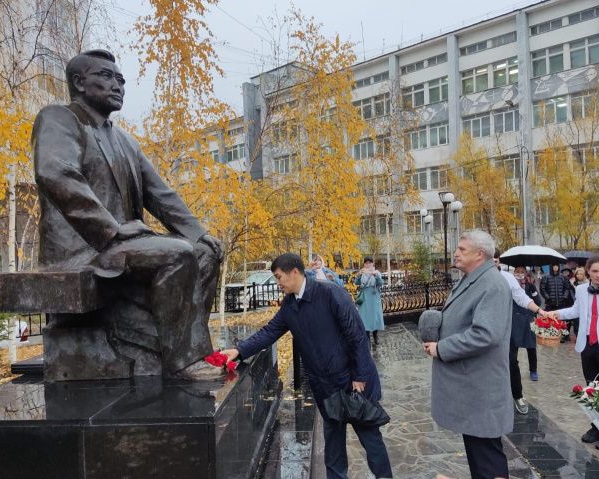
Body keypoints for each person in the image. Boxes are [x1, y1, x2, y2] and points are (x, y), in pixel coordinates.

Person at [32, 49, 223, 379]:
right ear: (79, 82)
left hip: (125, 245)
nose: (117, 85)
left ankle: (165, 343)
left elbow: (160, 194)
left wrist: (199, 232)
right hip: (85, 249)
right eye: (106, 76)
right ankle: (181, 362)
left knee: (205, 252)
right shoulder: (59, 119)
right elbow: (55, 173)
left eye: (120, 80)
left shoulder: (125, 141)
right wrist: (111, 230)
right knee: (178, 254)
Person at [222, 253, 392, 479]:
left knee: (371, 441)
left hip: (353, 384)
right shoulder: (289, 306)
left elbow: (357, 335)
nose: (278, 283)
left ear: (294, 272)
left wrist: (360, 376)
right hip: (326, 388)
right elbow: (269, 332)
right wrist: (239, 351)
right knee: (333, 452)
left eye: (279, 277)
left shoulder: (330, 293)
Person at [423, 230, 513, 479]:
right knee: (479, 455)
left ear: (480, 254)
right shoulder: (472, 279)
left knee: (487, 460)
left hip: (481, 388)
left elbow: (485, 334)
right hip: (472, 387)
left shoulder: (492, 284)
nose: (456, 253)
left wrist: (441, 348)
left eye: (462, 249)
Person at [553, 255, 599, 451]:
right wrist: (555, 314)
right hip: (587, 345)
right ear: (588, 271)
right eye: (594, 271)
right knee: (591, 387)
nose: (598, 275)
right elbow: (575, 311)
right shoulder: (580, 290)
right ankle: (597, 428)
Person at [493, 253, 552, 415]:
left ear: (498, 261)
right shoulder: (476, 277)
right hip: (484, 327)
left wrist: (540, 311)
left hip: (507, 326)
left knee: (511, 361)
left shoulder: (507, 278)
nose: (492, 262)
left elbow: (521, 298)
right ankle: (492, 397)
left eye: (495, 260)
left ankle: (517, 396)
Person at [355, 257, 385, 346]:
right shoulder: (362, 272)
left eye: (369, 263)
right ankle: (367, 337)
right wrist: (359, 275)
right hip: (364, 297)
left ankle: (375, 336)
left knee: (375, 317)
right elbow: (356, 283)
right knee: (365, 317)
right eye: (366, 263)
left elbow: (380, 283)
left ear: (372, 264)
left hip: (374, 296)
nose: (368, 264)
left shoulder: (377, 272)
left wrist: (375, 275)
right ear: (364, 264)